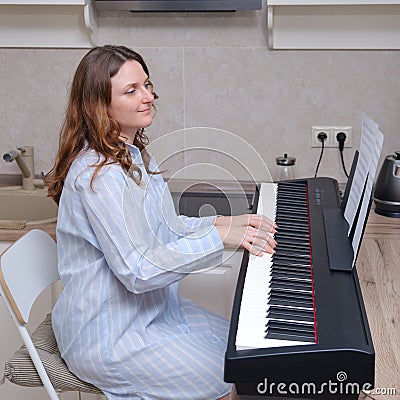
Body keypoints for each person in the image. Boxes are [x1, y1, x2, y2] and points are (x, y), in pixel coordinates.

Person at [47, 45, 277, 400]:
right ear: (99, 105)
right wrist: (221, 238)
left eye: (147, 85)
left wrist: (226, 222)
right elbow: (138, 271)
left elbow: (163, 229)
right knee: (224, 376)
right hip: (110, 335)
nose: (148, 96)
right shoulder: (99, 176)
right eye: (131, 90)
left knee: (244, 350)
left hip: (153, 313)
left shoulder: (130, 155)